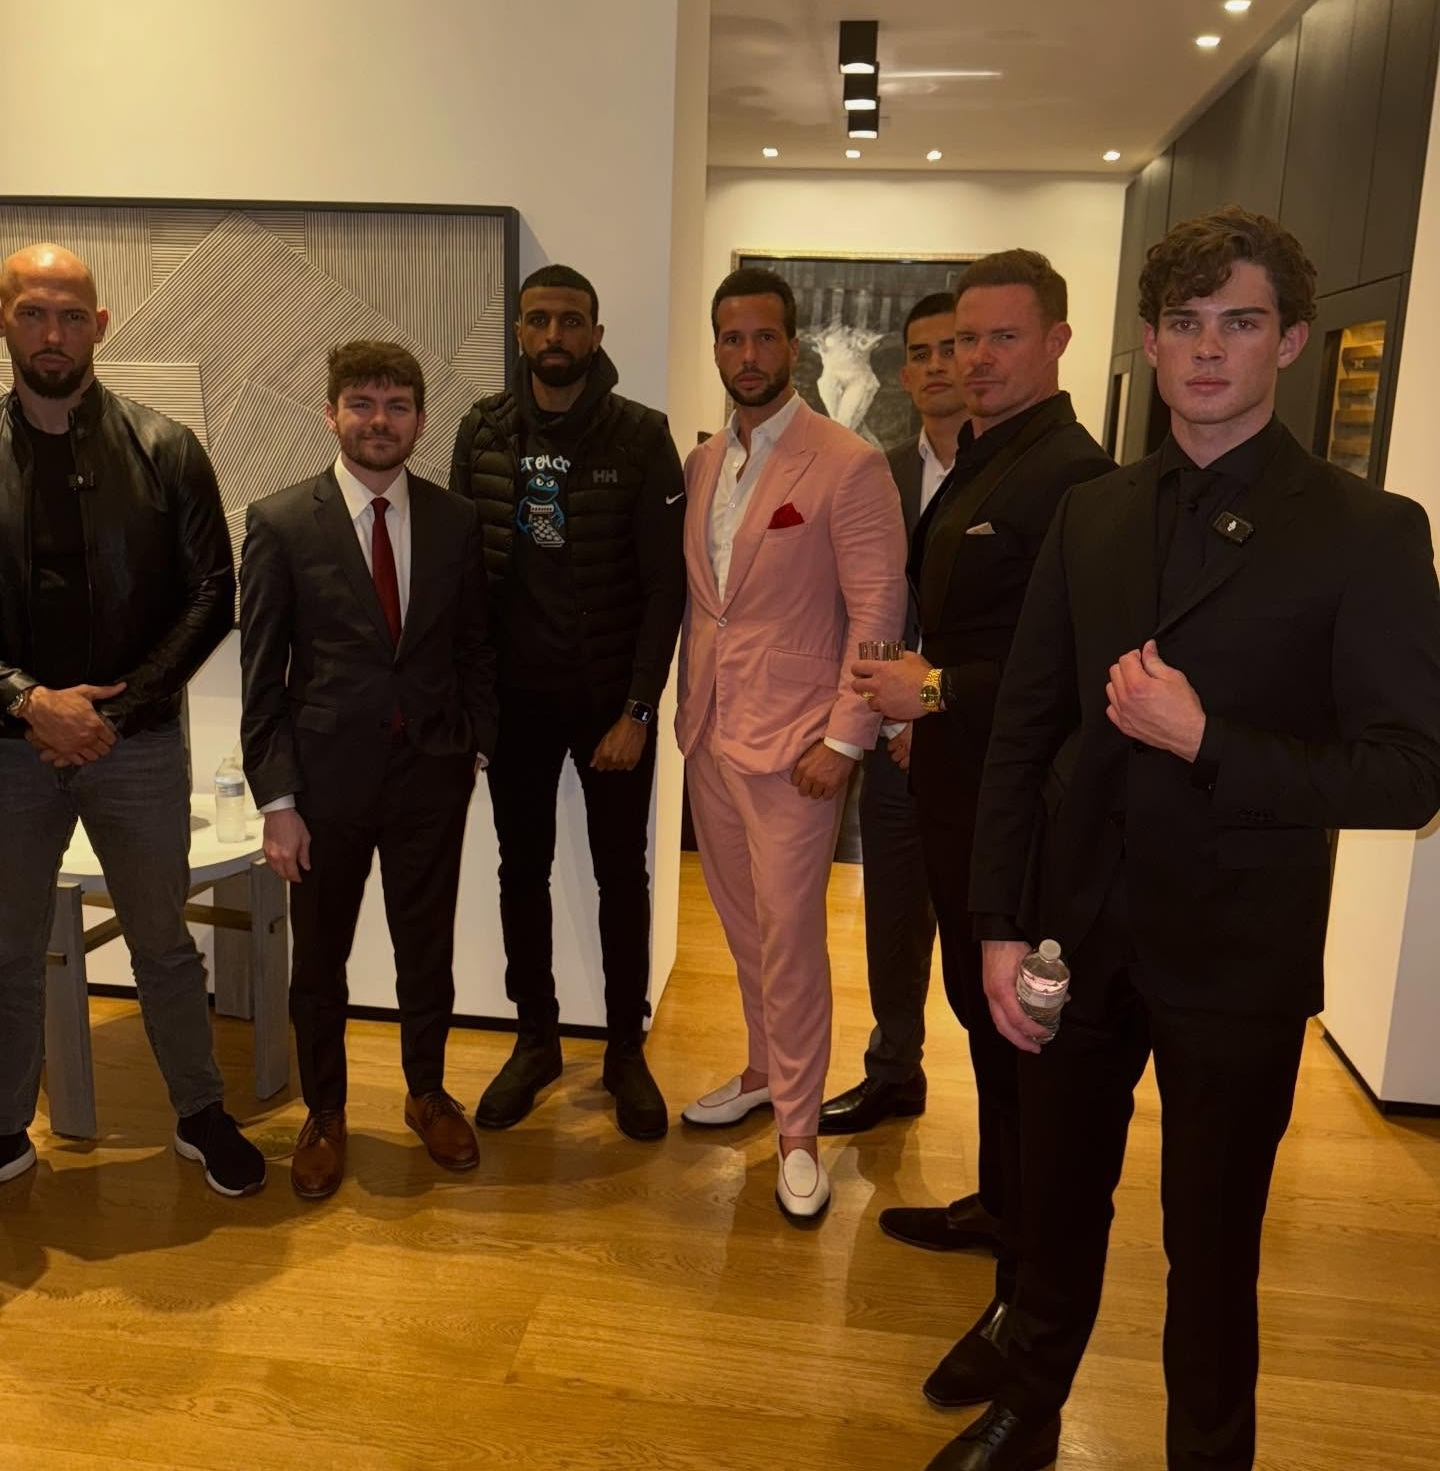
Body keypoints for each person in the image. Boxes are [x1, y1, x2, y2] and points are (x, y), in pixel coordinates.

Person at [931, 206, 1440, 1471]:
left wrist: (1208, 739)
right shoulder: (1091, 514)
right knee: (1054, 1209)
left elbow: (1409, 775)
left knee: (1210, 1249)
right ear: (1150, 342)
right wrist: (998, 921)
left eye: (1241, 322)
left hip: (1237, 957)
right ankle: (1027, 1412)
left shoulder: (1368, 531)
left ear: (1294, 341)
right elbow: (1023, 732)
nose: (1210, 349)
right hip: (1074, 937)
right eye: (1185, 323)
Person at [853, 251, 1113, 1406]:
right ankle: (999, 1211)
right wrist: (933, 710)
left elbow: (1080, 671)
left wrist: (937, 690)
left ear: (1057, 341)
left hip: (1024, 820)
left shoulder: (1072, 478)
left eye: (1003, 337)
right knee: (981, 1023)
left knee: (1024, 1055)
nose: (976, 358)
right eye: (964, 339)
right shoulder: (983, 458)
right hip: (962, 795)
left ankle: (1025, 1296)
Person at [0, 243, 265, 1196]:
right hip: (10, 749)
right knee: (8, 949)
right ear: (4, 321)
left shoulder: (166, 447)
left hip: (136, 744)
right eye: (33, 313)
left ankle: (200, 1114)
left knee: (162, 941)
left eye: (71, 315)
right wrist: (28, 700)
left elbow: (212, 591)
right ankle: (5, 1127)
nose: (54, 333)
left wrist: (122, 707)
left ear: (100, 326)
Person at [240, 340, 497, 1200]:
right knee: (320, 961)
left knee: (428, 949)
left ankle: (427, 1093)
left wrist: (475, 744)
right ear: (330, 414)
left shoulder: (456, 520)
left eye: (396, 405)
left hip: (432, 778)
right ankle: (326, 1111)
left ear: (420, 421)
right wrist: (278, 800)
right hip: (323, 790)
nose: (378, 420)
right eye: (361, 403)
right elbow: (262, 678)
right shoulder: (281, 522)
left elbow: (476, 646)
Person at [677, 266, 907, 1222]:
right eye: (732, 339)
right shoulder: (703, 463)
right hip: (710, 733)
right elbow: (713, 604)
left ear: (795, 345)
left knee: (792, 938)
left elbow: (878, 612)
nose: (748, 355)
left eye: (764, 337)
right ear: (717, 347)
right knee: (743, 927)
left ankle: (800, 1131)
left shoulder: (848, 463)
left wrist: (847, 739)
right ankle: (764, 1069)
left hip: (797, 747)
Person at [449, 265, 685, 1142]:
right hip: (515, 706)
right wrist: (473, 707)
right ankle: (536, 1039)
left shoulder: (641, 434)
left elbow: (665, 588)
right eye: (540, 319)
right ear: (519, 332)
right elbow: (461, 578)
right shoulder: (481, 430)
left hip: (607, 704)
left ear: (596, 333)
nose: (555, 335)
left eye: (572, 320)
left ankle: (625, 1048)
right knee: (521, 871)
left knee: (623, 875)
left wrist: (638, 709)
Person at [818, 291, 964, 1136]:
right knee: (895, 915)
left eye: (955, 346)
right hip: (893, 739)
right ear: (903, 373)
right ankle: (894, 1068)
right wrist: (893, 718)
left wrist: (932, 706)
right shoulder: (882, 473)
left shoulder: (1028, 476)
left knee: (985, 926)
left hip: (983, 741)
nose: (940, 365)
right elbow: (867, 604)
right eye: (922, 352)